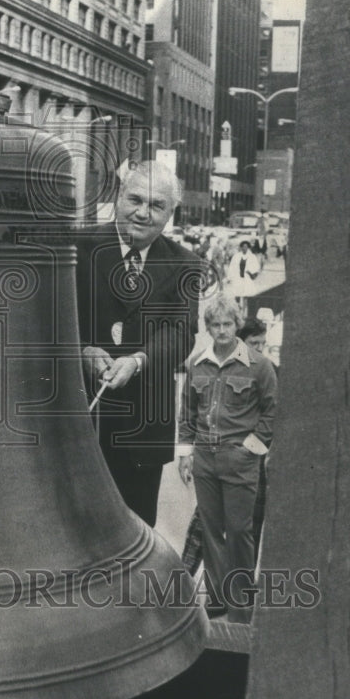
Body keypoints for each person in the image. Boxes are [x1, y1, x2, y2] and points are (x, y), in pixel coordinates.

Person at [76, 161, 202, 527]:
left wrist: (138, 360)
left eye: (157, 205)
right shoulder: (76, 248)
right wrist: (82, 350)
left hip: (142, 435)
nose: (143, 213)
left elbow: (181, 333)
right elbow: (47, 323)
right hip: (78, 426)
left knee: (135, 539)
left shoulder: (185, 265)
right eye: (135, 199)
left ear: (170, 214)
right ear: (118, 197)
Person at [177, 296, 277, 621]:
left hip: (240, 461)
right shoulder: (196, 364)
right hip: (205, 458)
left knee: (239, 531)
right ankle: (218, 597)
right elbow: (188, 413)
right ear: (208, 328)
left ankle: (242, 601)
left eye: (228, 324)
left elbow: (273, 411)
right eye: (216, 325)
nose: (222, 331)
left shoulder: (259, 365)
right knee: (210, 529)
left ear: (237, 324)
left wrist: (251, 447)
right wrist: (185, 453)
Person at [226, 239, 260, 304]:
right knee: (237, 293)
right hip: (238, 278)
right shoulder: (236, 256)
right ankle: (237, 306)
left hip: (247, 278)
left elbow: (256, 267)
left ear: (248, 248)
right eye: (243, 247)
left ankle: (245, 308)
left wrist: (250, 272)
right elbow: (232, 267)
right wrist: (229, 277)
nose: (244, 248)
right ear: (241, 247)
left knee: (247, 294)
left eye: (246, 247)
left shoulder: (252, 257)